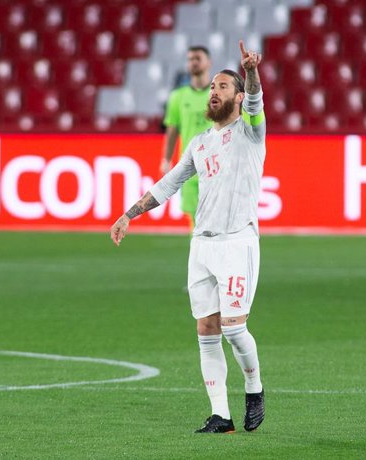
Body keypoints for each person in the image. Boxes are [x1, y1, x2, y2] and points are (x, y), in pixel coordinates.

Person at [111, 40, 266, 434]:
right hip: (202, 245)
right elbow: (167, 184)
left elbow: (255, 101)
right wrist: (129, 214)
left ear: (235, 96)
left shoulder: (251, 134)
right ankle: (221, 416)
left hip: (237, 242)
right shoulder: (199, 143)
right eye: (212, 87)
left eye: (222, 87)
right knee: (206, 331)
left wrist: (249, 73)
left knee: (234, 327)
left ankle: (254, 388)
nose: (214, 92)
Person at [160, 46, 213, 229]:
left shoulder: (219, 94)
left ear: (209, 62)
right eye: (190, 59)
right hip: (190, 166)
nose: (193, 62)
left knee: (216, 217)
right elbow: (172, 130)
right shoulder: (177, 97)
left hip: (216, 166)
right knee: (195, 219)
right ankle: (200, 256)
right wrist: (166, 159)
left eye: (198, 58)